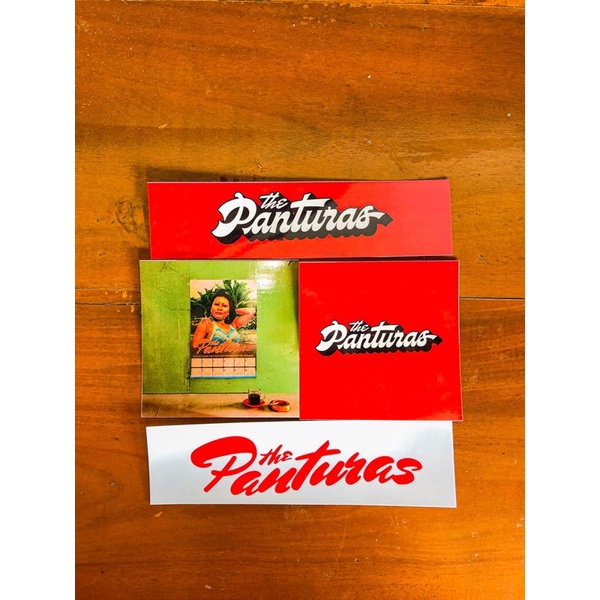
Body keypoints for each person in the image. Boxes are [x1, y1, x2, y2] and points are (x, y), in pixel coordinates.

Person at [191, 289, 256, 349]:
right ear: (211, 308)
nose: (220, 308)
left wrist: (232, 311)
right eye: (216, 304)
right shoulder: (207, 324)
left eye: (224, 306)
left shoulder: (233, 325)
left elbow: (251, 311)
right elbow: (195, 346)